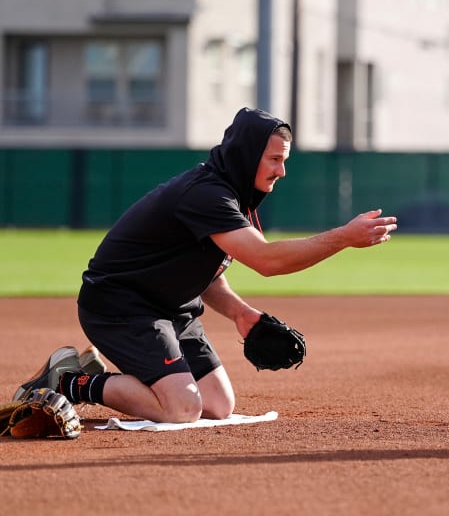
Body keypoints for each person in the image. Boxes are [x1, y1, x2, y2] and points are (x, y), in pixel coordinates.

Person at [13, 107, 397, 423]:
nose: (281, 171)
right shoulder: (208, 195)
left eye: (285, 160)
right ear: (248, 157)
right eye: (275, 159)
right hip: (121, 305)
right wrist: (343, 238)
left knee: (218, 405)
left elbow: (205, 275)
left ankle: (110, 377)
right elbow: (267, 260)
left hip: (170, 309)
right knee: (182, 407)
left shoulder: (232, 192)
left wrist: (240, 313)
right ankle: (67, 382)